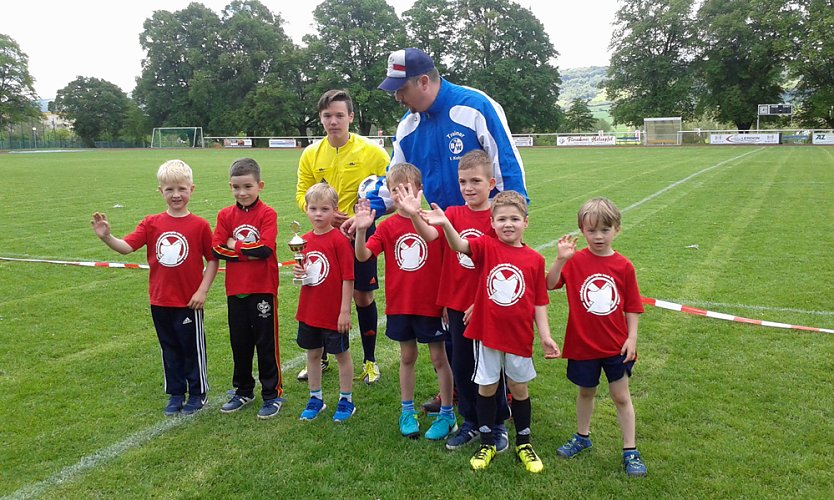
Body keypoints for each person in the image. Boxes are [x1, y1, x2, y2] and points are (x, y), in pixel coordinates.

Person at [422, 190, 559, 473]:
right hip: (488, 336)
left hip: (519, 337)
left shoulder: (535, 259)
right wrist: (446, 224)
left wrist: (545, 336)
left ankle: (524, 442)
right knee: (487, 387)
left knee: (519, 389)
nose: (508, 224)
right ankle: (487, 441)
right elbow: (460, 245)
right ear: (492, 224)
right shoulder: (485, 246)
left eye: (514, 219)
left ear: (526, 222)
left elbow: (539, 302)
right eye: (501, 219)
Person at [397, 150, 510, 452]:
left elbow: (501, 265)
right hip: (457, 307)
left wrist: (483, 301)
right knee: (461, 365)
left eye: (475, 181)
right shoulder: (453, 214)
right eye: (463, 181)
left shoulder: (498, 218)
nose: (469, 187)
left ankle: (498, 423)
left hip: (485, 306)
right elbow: (432, 236)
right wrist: (412, 214)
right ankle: (470, 422)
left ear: (491, 182)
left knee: (489, 367)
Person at [91, 159, 218, 416]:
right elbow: (127, 247)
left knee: (192, 349)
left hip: (188, 302)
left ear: (192, 189)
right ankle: (175, 393)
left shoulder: (200, 225)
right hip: (160, 300)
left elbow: (213, 259)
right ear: (160, 191)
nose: (176, 195)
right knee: (169, 349)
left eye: (181, 189)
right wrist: (106, 237)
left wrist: (202, 291)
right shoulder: (151, 223)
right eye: (169, 189)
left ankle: (198, 392)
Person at [354, 163, 457, 441]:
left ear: (420, 190)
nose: (402, 196)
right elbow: (364, 256)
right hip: (401, 305)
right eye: (395, 192)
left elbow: (432, 240)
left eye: (408, 190)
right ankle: (407, 410)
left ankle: (447, 413)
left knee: (439, 357)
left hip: (431, 304)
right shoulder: (387, 228)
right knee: (407, 357)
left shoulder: (433, 219)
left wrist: (414, 214)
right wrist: (362, 231)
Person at [546, 197, 648, 477]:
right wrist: (559, 259)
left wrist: (632, 338)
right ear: (582, 231)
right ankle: (582, 436)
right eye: (591, 231)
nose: (598, 236)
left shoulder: (624, 266)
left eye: (605, 229)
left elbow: (632, 305)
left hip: (616, 345)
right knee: (586, 391)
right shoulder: (575, 261)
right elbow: (549, 284)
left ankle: (630, 450)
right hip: (582, 345)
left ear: (617, 229)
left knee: (621, 396)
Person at [296, 89, 389, 385]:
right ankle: (321, 356)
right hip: (322, 236)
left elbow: (390, 192)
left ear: (350, 116)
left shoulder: (373, 152)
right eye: (327, 116)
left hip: (360, 234)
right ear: (320, 119)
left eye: (339, 115)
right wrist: (320, 214)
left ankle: (370, 361)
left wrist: (359, 218)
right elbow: (302, 193)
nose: (333, 121)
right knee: (321, 294)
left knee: (362, 296)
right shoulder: (311, 154)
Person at [376, 47, 529, 210]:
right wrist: (367, 209)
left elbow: (507, 170)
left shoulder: (476, 106)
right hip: (444, 228)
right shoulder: (407, 126)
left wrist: (509, 218)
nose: (397, 97)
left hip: (485, 225)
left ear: (424, 82)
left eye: (401, 89)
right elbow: (394, 180)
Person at [212, 158, 284, 419]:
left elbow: (265, 249)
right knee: (239, 343)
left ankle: (272, 394)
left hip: (263, 288)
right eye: (236, 187)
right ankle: (243, 390)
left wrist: (236, 245)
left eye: (248, 187)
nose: (242, 193)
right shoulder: (224, 215)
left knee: (266, 343)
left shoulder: (268, 214)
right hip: (235, 290)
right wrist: (244, 253)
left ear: (259, 185)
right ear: (230, 187)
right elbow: (217, 248)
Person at [294, 183, 357, 423]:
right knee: (312, 354)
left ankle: (346, 400)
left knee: (341, 354)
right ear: (306, 210)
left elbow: (348, 278)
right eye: (313, 208)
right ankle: (315, 397)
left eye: (324, 209)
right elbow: (304, 272)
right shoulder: (303, 241)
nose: (318, 214)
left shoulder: (339, 241)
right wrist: (300, 274)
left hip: (333, 313)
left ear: (335, 210)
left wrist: (344, 312)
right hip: (310, 310)